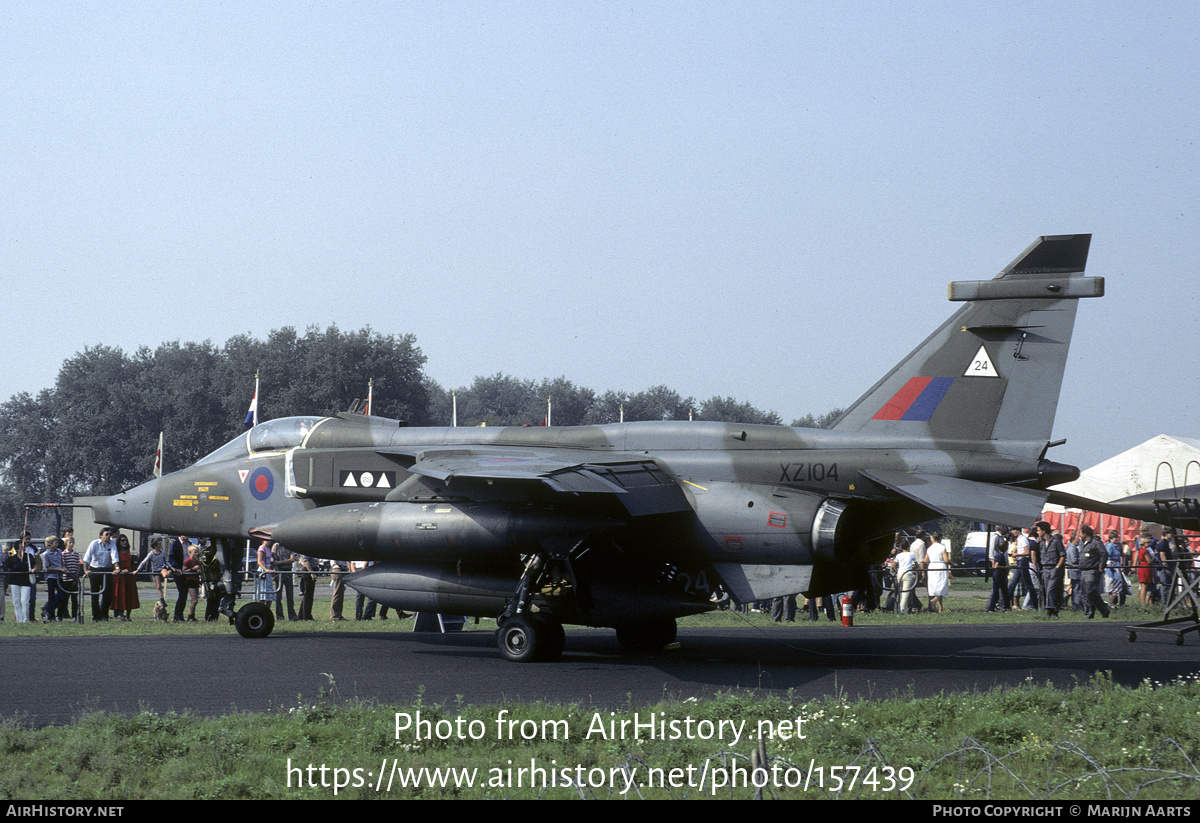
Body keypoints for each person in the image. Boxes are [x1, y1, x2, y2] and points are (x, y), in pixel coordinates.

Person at [82, 527, 118, 621]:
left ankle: (104, 615)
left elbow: (114, 557)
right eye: (106, 534)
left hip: (107, 570)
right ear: (101, 536)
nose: (108, 536)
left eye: (110, 535)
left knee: (107, 594)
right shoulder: (94, 543)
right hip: (95, 570)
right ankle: (96, 617)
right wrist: (86, 570)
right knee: (95, 594)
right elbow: (87, 557)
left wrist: (117, 568)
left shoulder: (112, 543)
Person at [1078, 524, 1111, 619]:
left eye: (1080, 533)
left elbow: (1104, 554)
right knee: (1085, 594)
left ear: (1085, 533)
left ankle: (1103, 610)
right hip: (1084, 571)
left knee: (1090, 592)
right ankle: (1089, 613)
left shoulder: (1096, 542)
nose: (1079, 535)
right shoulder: (1084, 543)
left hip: (1092, 571)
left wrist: (1101, 566)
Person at [1035, 521, 1065, 618]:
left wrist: (1057, 567)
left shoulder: (1056, 541)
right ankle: (1054, 610)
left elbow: (1062, 555)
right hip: (1045, 568)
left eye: (1038, 530)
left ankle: (1049, 610)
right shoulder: (1041, 543)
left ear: (1044, 531)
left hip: (1054, 568)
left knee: (1050, 590)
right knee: (1046, 590)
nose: (1037, 532)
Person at [111, 532, 141, 620]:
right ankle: (120, 614)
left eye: (125, 540)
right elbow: (114, 564)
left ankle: (128, 615)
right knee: (121, 595)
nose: (124, 542)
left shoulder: (128, 552)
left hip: (129, 576)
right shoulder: (117, 552)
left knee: (130, 595)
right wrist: (120, 570)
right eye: (122, 540)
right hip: (121, 577)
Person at [985, 530, 1012, 612]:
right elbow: (996, 566)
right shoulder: (1000, 556)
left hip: (998, 575)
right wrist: (1005, 567)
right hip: (999, 575)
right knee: (1002, 591)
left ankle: (991, 608)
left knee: (996, 591)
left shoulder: (1000, 555)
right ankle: (1004, 607)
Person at [40, 536, 64, 621]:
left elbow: (61, 562)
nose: (57, 544)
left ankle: (47, 610)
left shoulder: (59, 551)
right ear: (50, 544)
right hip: (51, 577)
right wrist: (59, 569)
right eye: (55, 542)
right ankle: (51, 616)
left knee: (61, 595)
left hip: (59, 577)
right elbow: (47, 567)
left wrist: (63, 568)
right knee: (51, 597)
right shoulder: (45, 554)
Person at [925, 531, 949, 613]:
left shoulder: (930, 548)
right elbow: (946, 560)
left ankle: (940, 608)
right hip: (940, 566)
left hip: (932, 567)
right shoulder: (942, 547)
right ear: (940, 538)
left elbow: (926, 560)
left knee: (934, 587)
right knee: (942, 586)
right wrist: (953, 563)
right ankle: (934, 600)